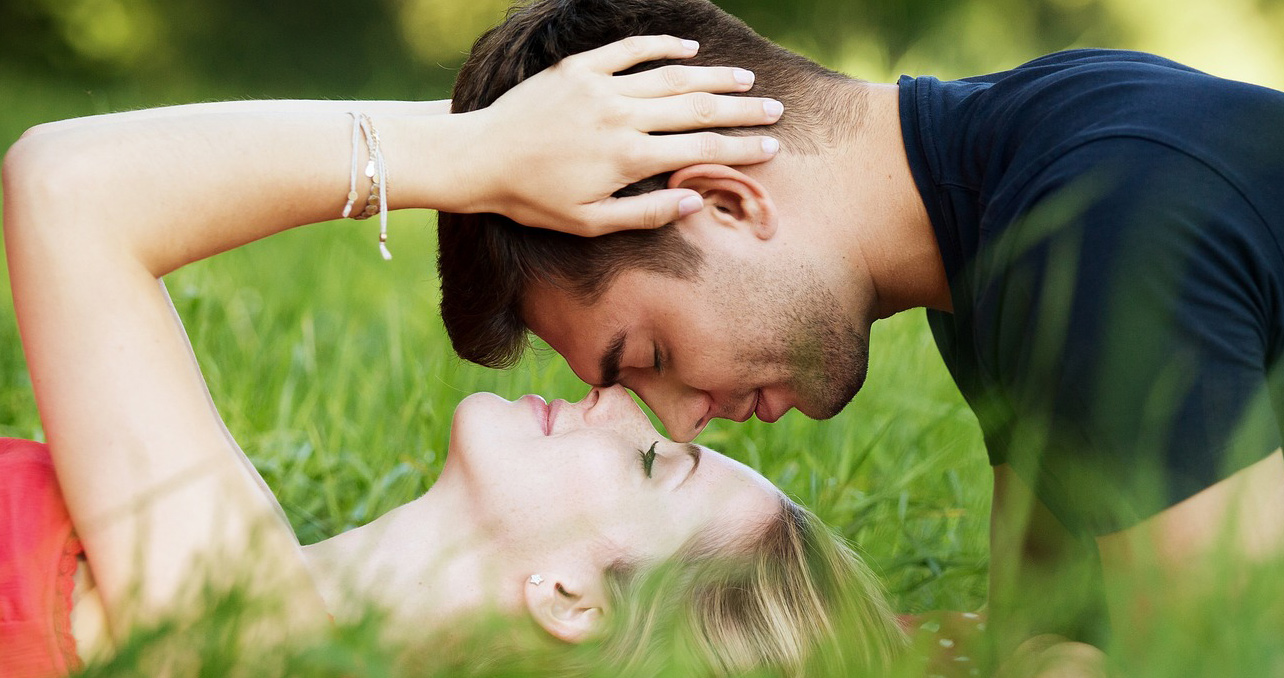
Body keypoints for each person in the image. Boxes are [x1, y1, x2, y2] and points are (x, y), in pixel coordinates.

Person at [0, 37, 907, 676]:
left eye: (651, 465)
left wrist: (482, 146)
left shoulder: (251, 643)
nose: (622, 402)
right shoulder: (241, 582)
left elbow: (70, 189)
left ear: (570, 601)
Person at [434, 0, 1284, 671]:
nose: (682, 425)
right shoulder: (1007, 219)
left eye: (652, 358)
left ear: (726, 201)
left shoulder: (1093, 224)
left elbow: (1218, 656)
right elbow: (1040, 623)